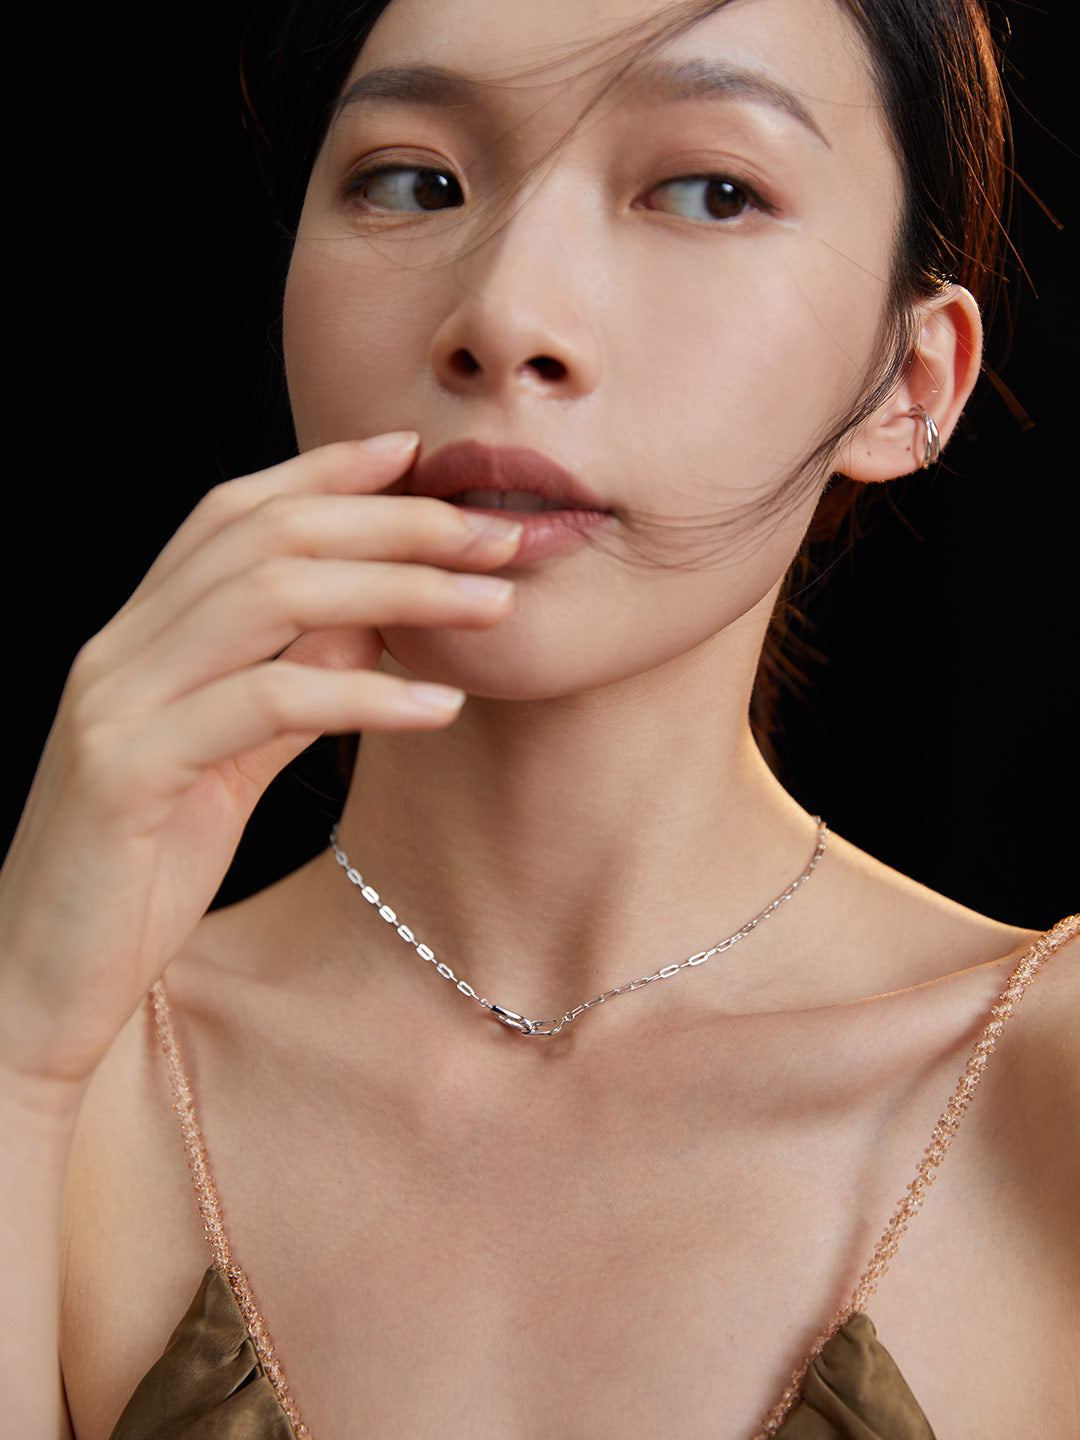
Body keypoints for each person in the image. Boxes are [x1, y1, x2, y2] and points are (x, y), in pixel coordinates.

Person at [1, 0, 1076, 1436]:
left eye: (710, 191)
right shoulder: (63, 1079)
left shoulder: (1042, 1082)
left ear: (909, 380)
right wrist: (16, 1047)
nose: (506, 318)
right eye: (415, 180)